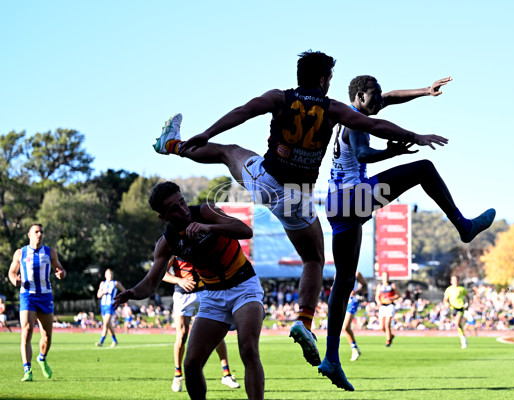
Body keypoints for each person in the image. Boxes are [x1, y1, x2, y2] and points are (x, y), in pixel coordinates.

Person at [153, 50, 448, 368]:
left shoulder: (280, 98)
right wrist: (413, 135)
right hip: (297, 197)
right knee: (314, 259)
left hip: (265, 181)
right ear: (323, 80)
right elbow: (373, 124)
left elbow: (243, 111)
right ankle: (304, 322)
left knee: (229, 151)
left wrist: (208, 134)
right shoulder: (332, 108)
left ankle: (172, 145)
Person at [318, 74, 495, 390]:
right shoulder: (356, 120)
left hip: (335, 205)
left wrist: (425, 92)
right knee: (423, 169)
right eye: (375, 95)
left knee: (344, 281)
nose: (380, 100)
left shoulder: (357, 111)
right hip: (352, 197)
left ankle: (331, 357)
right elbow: (363, 155)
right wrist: (395, 152)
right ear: (360, 95)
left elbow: (394, 96)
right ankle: (464, 226)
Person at [113, 181, 264, 400]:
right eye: (174, 208)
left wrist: (208, 227)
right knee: (191, 364)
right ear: (163, 217)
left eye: (182, 202)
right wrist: (132, 292)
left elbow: (245, 230)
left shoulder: (206, 211)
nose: (182, 209)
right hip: (212, 295)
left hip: (243, 285)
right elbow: (151, 281)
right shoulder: (167, 243)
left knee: (248, 349)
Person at [163, 256, 240, 392]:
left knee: (215, 333)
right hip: (183, 295)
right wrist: (179, 280)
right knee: (182, 336)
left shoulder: (201, 239)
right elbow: (162, 272)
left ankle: (226, 374)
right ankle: (178, 375)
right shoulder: (173, 245)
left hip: (205, 291)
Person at [8, 223, 66, 382]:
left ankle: (42, 357)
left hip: (45, 296)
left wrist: (61, 273)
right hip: (27, 296)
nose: (39, 234)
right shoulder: (20, 253)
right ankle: (27, 370)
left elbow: (60, 269)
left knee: (46, 336)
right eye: (36, 231)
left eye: (41, 231)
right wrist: (15, 280)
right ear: (29, 234)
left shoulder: (50, 252)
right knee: (26, 331)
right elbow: (12, 272)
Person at [95, 268, 126, 347]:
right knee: (108, 325)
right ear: (105, 275)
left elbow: (124, 291)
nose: (110, 275)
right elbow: (98, 295)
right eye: (108, 274)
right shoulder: (102, 283)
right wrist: (103, 292)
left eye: (111, 274)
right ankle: (115, 340)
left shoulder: (115, 283)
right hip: (103, 305)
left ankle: (101, 341)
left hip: (110, 305)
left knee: (105, 323)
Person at [342, 271, 367, 363]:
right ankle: (354, 348)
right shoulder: (337, 272)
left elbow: (365, 286)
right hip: (342, 301)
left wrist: (355, 291)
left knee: (345, 326)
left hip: (352, 301)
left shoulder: (356, 273)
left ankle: (354, 350)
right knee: (345, 328)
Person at [443, 275, 470, 349]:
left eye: (457, 280)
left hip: (460, 308)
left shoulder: (461, 289)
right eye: (454, 280)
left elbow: (467, 297)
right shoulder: (449, 289)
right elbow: (445, 300)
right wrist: (446, 304)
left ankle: (463, 340)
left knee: (457, 322)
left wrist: (468, 304)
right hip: (453, 308)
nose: (456, 281)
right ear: (451, 281)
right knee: (457, 325)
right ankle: (463, 338)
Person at [375, 272, 399, 348]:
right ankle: (391, 335)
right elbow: (377, 296)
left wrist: (391, 298)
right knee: (382, 327)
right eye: (384, 276)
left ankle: (388, 340)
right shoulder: (380, 286)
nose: (385, 277)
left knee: (387, 323)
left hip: (390, 305)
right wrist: (378, 302)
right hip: (382, 306)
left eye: (387, 276)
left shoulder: (392, 285)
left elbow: (398, 295)